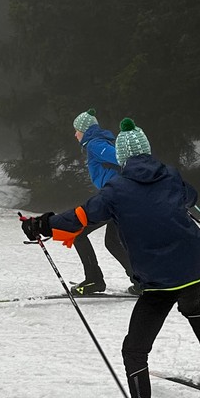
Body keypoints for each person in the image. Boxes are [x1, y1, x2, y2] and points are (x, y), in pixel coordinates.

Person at [20, 117, 200, 398]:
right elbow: (190, 196)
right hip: (195, 266)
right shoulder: (170, 174)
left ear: (121, 157)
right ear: (146, 150)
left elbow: (79, 217)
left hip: (159, 278)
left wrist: (42, 224)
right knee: (192, 306)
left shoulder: (116, 190)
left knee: (134, 350)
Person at [69, 109, 136, 296]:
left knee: (78, 232)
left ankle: (94, 281)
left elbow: (122, 158)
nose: (75, 134)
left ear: (85, 130)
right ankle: (140, 281)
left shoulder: (95, 144)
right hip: (120, 197)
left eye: (77, 130)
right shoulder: (99, 142)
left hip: (114, 198)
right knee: (112, 242)